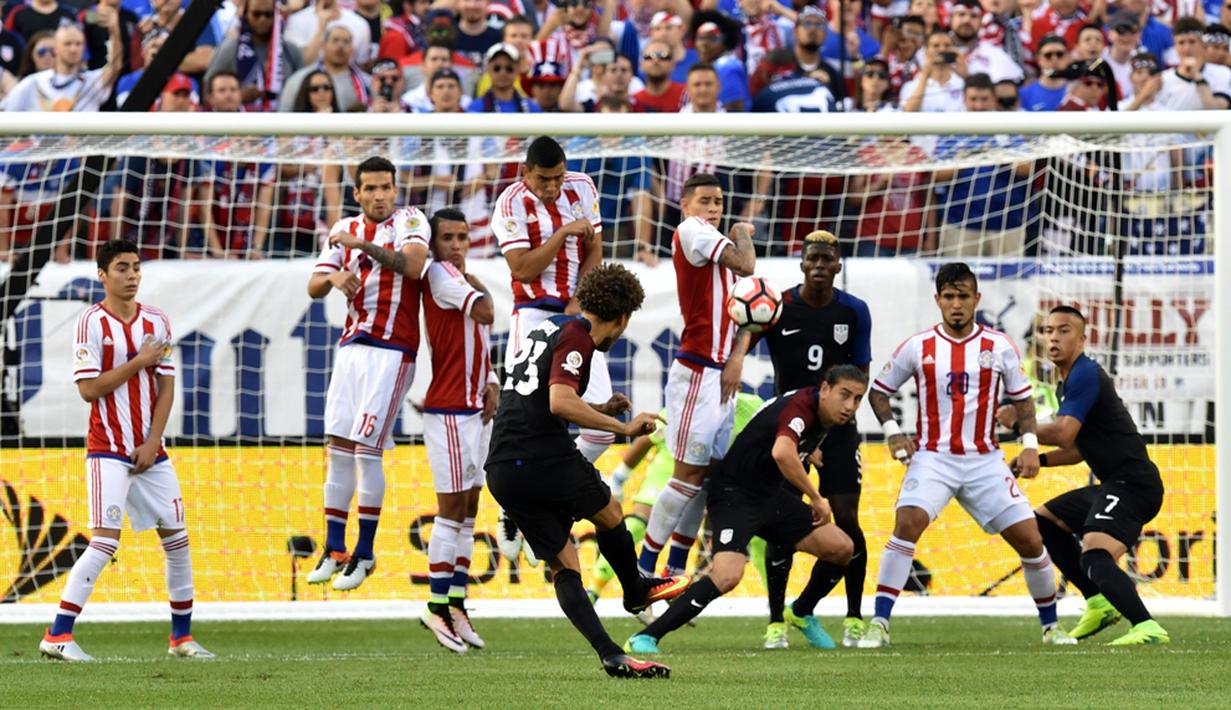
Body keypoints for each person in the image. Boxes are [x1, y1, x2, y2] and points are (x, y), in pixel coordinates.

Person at [485, 263, 687, 679]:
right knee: (610, 512)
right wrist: (622, 427)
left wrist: (598, 408)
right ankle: (636, 591)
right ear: (623, 318)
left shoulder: (549, 328)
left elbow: (541, 398)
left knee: (564, 565)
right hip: (540, 456)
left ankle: (610, 654)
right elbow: (559, 402)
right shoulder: (579, 335)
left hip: (503, 468)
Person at [860, 262, 1074, 648]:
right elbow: (878, 391)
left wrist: (1029, 445)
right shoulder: (918, 346)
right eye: (949, 296)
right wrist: (893, 434)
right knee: (906, 523)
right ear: (937, 300)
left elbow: (1023, 402)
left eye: (962, 296)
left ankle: (1051, 627)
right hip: (933, 458)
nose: (956, 304)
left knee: (1030, 540)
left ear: (977, 298)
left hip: (985, 461)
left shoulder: (999, 346)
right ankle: (879, 623)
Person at [39, 239, 213, 662]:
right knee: (104, 543)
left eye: (136, 267)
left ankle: (181, 639)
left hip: (151, 451)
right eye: (122, 267)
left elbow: (167, 384)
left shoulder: (156, 320)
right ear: (103, 274)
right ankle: (58, 634)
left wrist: (154, 441)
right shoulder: (91, 323)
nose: (132, 275)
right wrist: (137, 361)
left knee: (178, 540)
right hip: (108, 449)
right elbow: (88, 389)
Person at [624, 366, 867, 654]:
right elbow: (782, 452)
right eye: (845, 395)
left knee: (842, 548)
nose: (850, 406)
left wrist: (805, 447)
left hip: (769, 496)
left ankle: (801, 611)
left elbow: (776, 430)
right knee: (727, 576)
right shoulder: (802, 407)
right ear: (825, 389)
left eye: (857, 399)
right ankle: (646, 637)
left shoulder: (819, 413)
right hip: (733, 495)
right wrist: (816, 497)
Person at [727, 230, 873, 649]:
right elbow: (745, 337)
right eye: (813, 258)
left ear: (838, 266)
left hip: (838, 430)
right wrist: (736, 358)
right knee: (783, 525)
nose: (820, 265)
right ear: (803, 263)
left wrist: (827, 428)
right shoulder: (777, 306)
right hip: (790, 428)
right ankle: (775, 621)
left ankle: (846, 615)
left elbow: (860, 377)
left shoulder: (854, 311)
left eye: (828, 259)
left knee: (847, 520)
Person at [1005, 306, 1170, 646]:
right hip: (1114, 484)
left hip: (1133, 484)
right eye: (1048, 330)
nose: (1053, 337)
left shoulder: (1085, 374)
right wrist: (1039, 460)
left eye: (1063, 330)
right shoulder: (1066, 384)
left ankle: (1146, 626)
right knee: (1044, 522)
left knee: (1095, 554)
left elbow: (1063, 432)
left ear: (1082, 338)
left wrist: (1020, 424)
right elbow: (1077, 448)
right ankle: (1097, 602)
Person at [304, 156, 430, 592]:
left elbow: (413, 266)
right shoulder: (345, 226)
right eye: (370, 189)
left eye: (385, 187)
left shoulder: (410, 220)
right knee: (338, 446)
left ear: (395, 189)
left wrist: (360, 247)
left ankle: (365, 552)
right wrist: (335, 276)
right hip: (352, 347)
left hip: (393, 350)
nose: (379, 196)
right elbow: (314, 285)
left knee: (365, 448)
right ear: (357, 193)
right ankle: (334, 548)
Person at [488, 136, 609, 560]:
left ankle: (554, 500)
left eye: (558, 177)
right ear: (526, 173)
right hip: (533, 315)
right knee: (529, 422)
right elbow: (522, 269)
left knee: (600, 427)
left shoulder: (583, 187)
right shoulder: (509, 203)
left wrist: (581, 301)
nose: (553, 187)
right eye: (543, 179)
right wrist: (561, 234)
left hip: (578, 314)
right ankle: (513, 509)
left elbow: (595, 248)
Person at [636, 172, 756, 578]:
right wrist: (741, 231)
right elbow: (747, 263)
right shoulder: (692, 231)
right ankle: (644, 573)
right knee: (686, 476)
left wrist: (737, 358)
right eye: (705, 200)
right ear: (685, 205)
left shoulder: (715, 250)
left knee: (705, 479)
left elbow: (749, 317)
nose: (713, 208)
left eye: (718, 202)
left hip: (722, 375)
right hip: (697, 374)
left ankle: (673, 572)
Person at [589, 391, 766, 605]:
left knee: (758, 534)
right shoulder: (681, 407)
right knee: (636, 524)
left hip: (712, 481)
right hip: (665, 474)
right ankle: (598, 589)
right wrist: (619, 477)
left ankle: (673, 572)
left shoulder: (751, 407)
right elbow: (644, 441)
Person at [418, 208, 497, 653]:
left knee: (469, 510)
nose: (457, 245)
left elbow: (478, 338)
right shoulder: (440, 275)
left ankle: (456, 603)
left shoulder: (458, 277)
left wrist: (491, 380)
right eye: (447, 237)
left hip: (475, 408)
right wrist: (477, 281)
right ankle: (435, 607)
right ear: (432, 244)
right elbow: (486, 312)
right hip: (449, 411)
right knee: (450, 512)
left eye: (463, 237)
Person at [2, 21, 122, 112]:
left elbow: (115, 66)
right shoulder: (34, 82)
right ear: (56, 48)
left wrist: (114, 30)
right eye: (67, 44)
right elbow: (6, 112)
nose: (73, 49)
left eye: (78, 44)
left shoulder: (92, 81)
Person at [205, 0, 304, 111]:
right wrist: (238, 96)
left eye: (268, 14)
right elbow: (208, 90)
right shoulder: (229, 49)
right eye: (256, 14)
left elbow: (302, 90)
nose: (263, 19)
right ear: (246, 14)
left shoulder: (291, 51)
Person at [1019, 34, 1070, 112]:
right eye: (1048, 55)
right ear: (1038, 59)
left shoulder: (1078, 91)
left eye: (1059, 54)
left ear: (1068, 57)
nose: (1054, 59)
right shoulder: (1023, 95)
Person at [634, 38, 686, 111]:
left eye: (663, 56)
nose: (656, 60)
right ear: (641, 65)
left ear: (672, 65)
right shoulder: (634, 102)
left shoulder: (686, 96)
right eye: (649, 56)